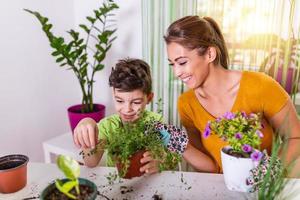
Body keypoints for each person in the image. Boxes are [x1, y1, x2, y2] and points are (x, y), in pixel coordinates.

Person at [164, 15, 300, 173]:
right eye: (172, 64)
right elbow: (209, 167)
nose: (177, 72)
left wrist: (268, 171)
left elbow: (295, 138)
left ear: (209, 54)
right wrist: (179, 145)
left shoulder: (261, 86)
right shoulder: (186, 104)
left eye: (182, 62)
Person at [73, 58, 188, 175]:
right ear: (113, 95)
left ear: (149, 98)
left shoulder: (155, 122)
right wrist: (87, 124)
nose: (127, 109)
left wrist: (161, 163)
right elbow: (91, 162)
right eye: (119, 101)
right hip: (118, 185)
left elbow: (174, 158)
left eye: (136, 102)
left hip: (149, 182)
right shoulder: (108, 126)